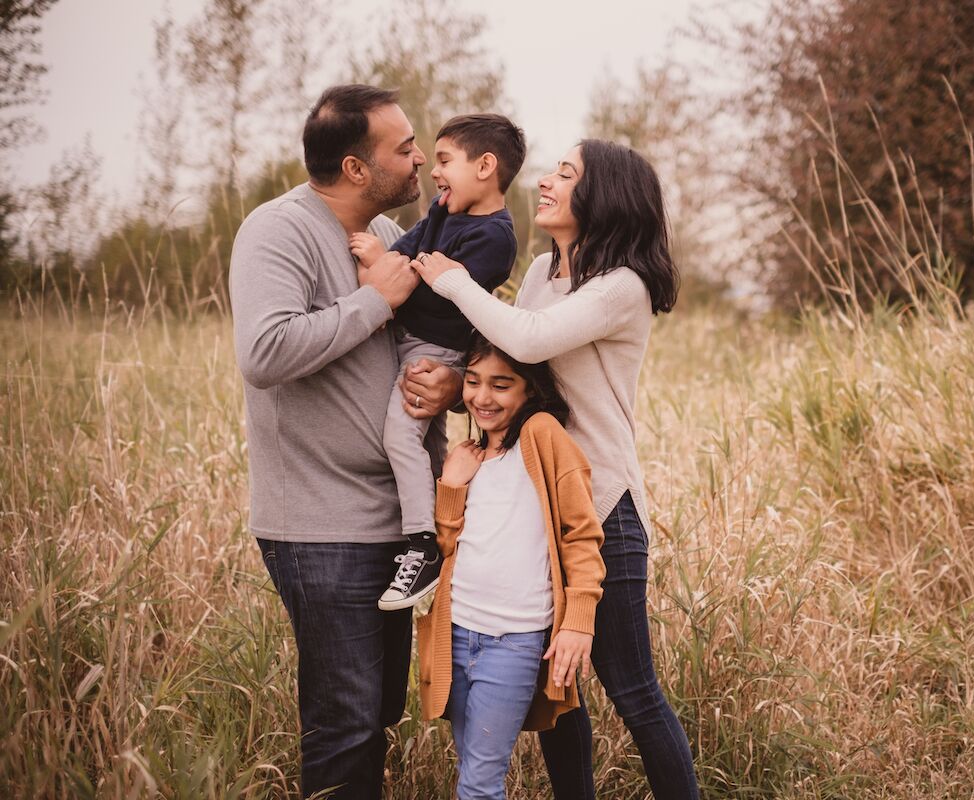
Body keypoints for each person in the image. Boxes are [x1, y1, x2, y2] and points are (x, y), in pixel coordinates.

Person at [411, 139, 700, 799]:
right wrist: (460, 383)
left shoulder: (621, 286)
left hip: (601, 504)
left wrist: (451, 278)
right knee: (557, 686)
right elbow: (523, 372)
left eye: (565, 174)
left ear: (602, 197)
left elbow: (530, 339)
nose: (544, 181)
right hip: (537, 501)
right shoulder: (544, 272)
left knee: (632, 688)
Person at [228, 83, 462, 799]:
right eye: (405, 147)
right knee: (346, 720)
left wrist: (447, 389)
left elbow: (407, 353)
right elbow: (265, 352)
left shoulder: (391, 239)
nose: (421, 158)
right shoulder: (278, 230)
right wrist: (375, 300)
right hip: (321, 526)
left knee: (376, 713)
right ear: (357, 168)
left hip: (394, 522)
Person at [415, 331, 605, 800]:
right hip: (455, 633)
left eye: (501, 385)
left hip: (513, 641)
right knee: (472, 770)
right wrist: (452, 487)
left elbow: (581, 535)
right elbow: (446, 546)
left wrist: (579, 620)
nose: (482, 396)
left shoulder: (542, 438)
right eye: (473, 381)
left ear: (529, 389)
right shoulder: (471, 456)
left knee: (479, 783)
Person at [348, 113, 526, 613]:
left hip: (434, 350)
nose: (435, 172)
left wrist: (391, 272)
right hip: (408, 338)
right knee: (424, 444)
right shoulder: (443, 210)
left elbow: (447, 297)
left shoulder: (495, 237)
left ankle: (422, 546)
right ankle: (447, 534)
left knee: (400, 436)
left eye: (445, 160)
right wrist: (388, 264)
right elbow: (405, 258)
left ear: (486, 165)